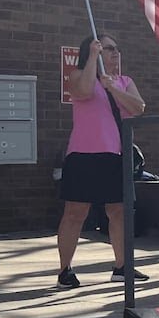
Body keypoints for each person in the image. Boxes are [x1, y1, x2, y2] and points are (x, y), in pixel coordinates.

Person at [56, 33, 148, 287]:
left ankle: (122, 266)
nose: (114, 53)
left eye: (116, 49)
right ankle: (65, 270)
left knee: (118, 211)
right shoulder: (78, 75)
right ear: (92, 51)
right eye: (108, 48)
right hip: (83, 154)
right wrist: (93, 60)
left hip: (115, 155)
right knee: (75, 212)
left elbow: (139, 107)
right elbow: (83, 92)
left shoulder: (124, 81)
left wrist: (113, 88)